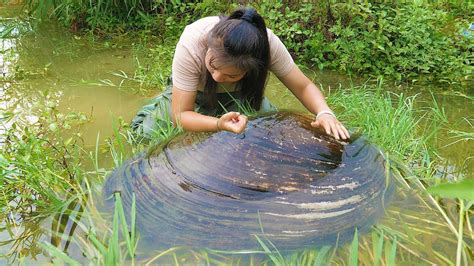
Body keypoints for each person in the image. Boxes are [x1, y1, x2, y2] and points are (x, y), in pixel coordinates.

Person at [131, 7, 350, 140]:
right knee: (146, 134)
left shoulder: (266, 45)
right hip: (192, 96)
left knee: (268, 132)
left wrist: (324, 113)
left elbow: (303, 86)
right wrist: (218, 124)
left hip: (241, 98)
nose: (217, 78)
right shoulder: (192, 40)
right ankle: (164, 98)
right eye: (212, 66)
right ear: (207, 47)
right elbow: (181, 115)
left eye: (230, 75)